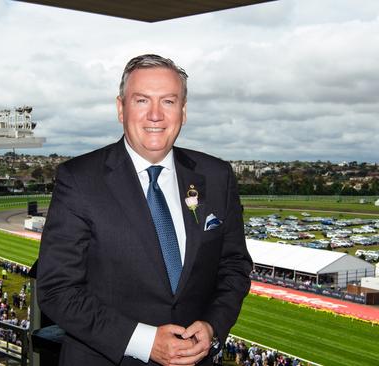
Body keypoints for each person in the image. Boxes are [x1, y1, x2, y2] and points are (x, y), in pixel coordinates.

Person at [35, 54, 253, 365]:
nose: (155, 115)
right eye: (141, 101)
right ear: (120, 108)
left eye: (168, 101)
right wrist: (144, 342)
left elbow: (234, 266)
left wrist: (213, 327)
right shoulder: (79, 179)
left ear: (184, 111)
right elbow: (57, 290)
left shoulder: (217, 176)